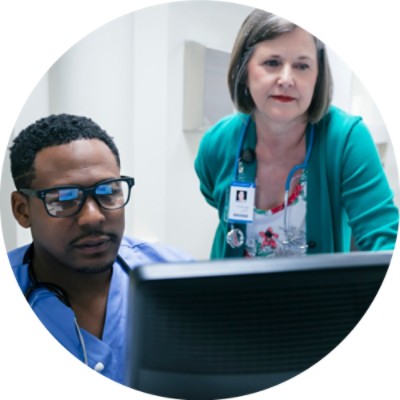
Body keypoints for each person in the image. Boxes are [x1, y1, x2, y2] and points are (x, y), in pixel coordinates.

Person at [195, 9, 399, 259]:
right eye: (272, 63)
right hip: (232, 296)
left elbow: (386, 244)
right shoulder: (216, 144)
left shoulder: (347, 139)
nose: (286, 79)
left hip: (317, 298)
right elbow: (213, 196)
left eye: (302, 65)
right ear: (244, 71)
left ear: (318, 77)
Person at [7, 114, 192, 384]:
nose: (93, 217)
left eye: (108, 191)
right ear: (23, 211)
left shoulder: (179, 277)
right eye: (65, 199)